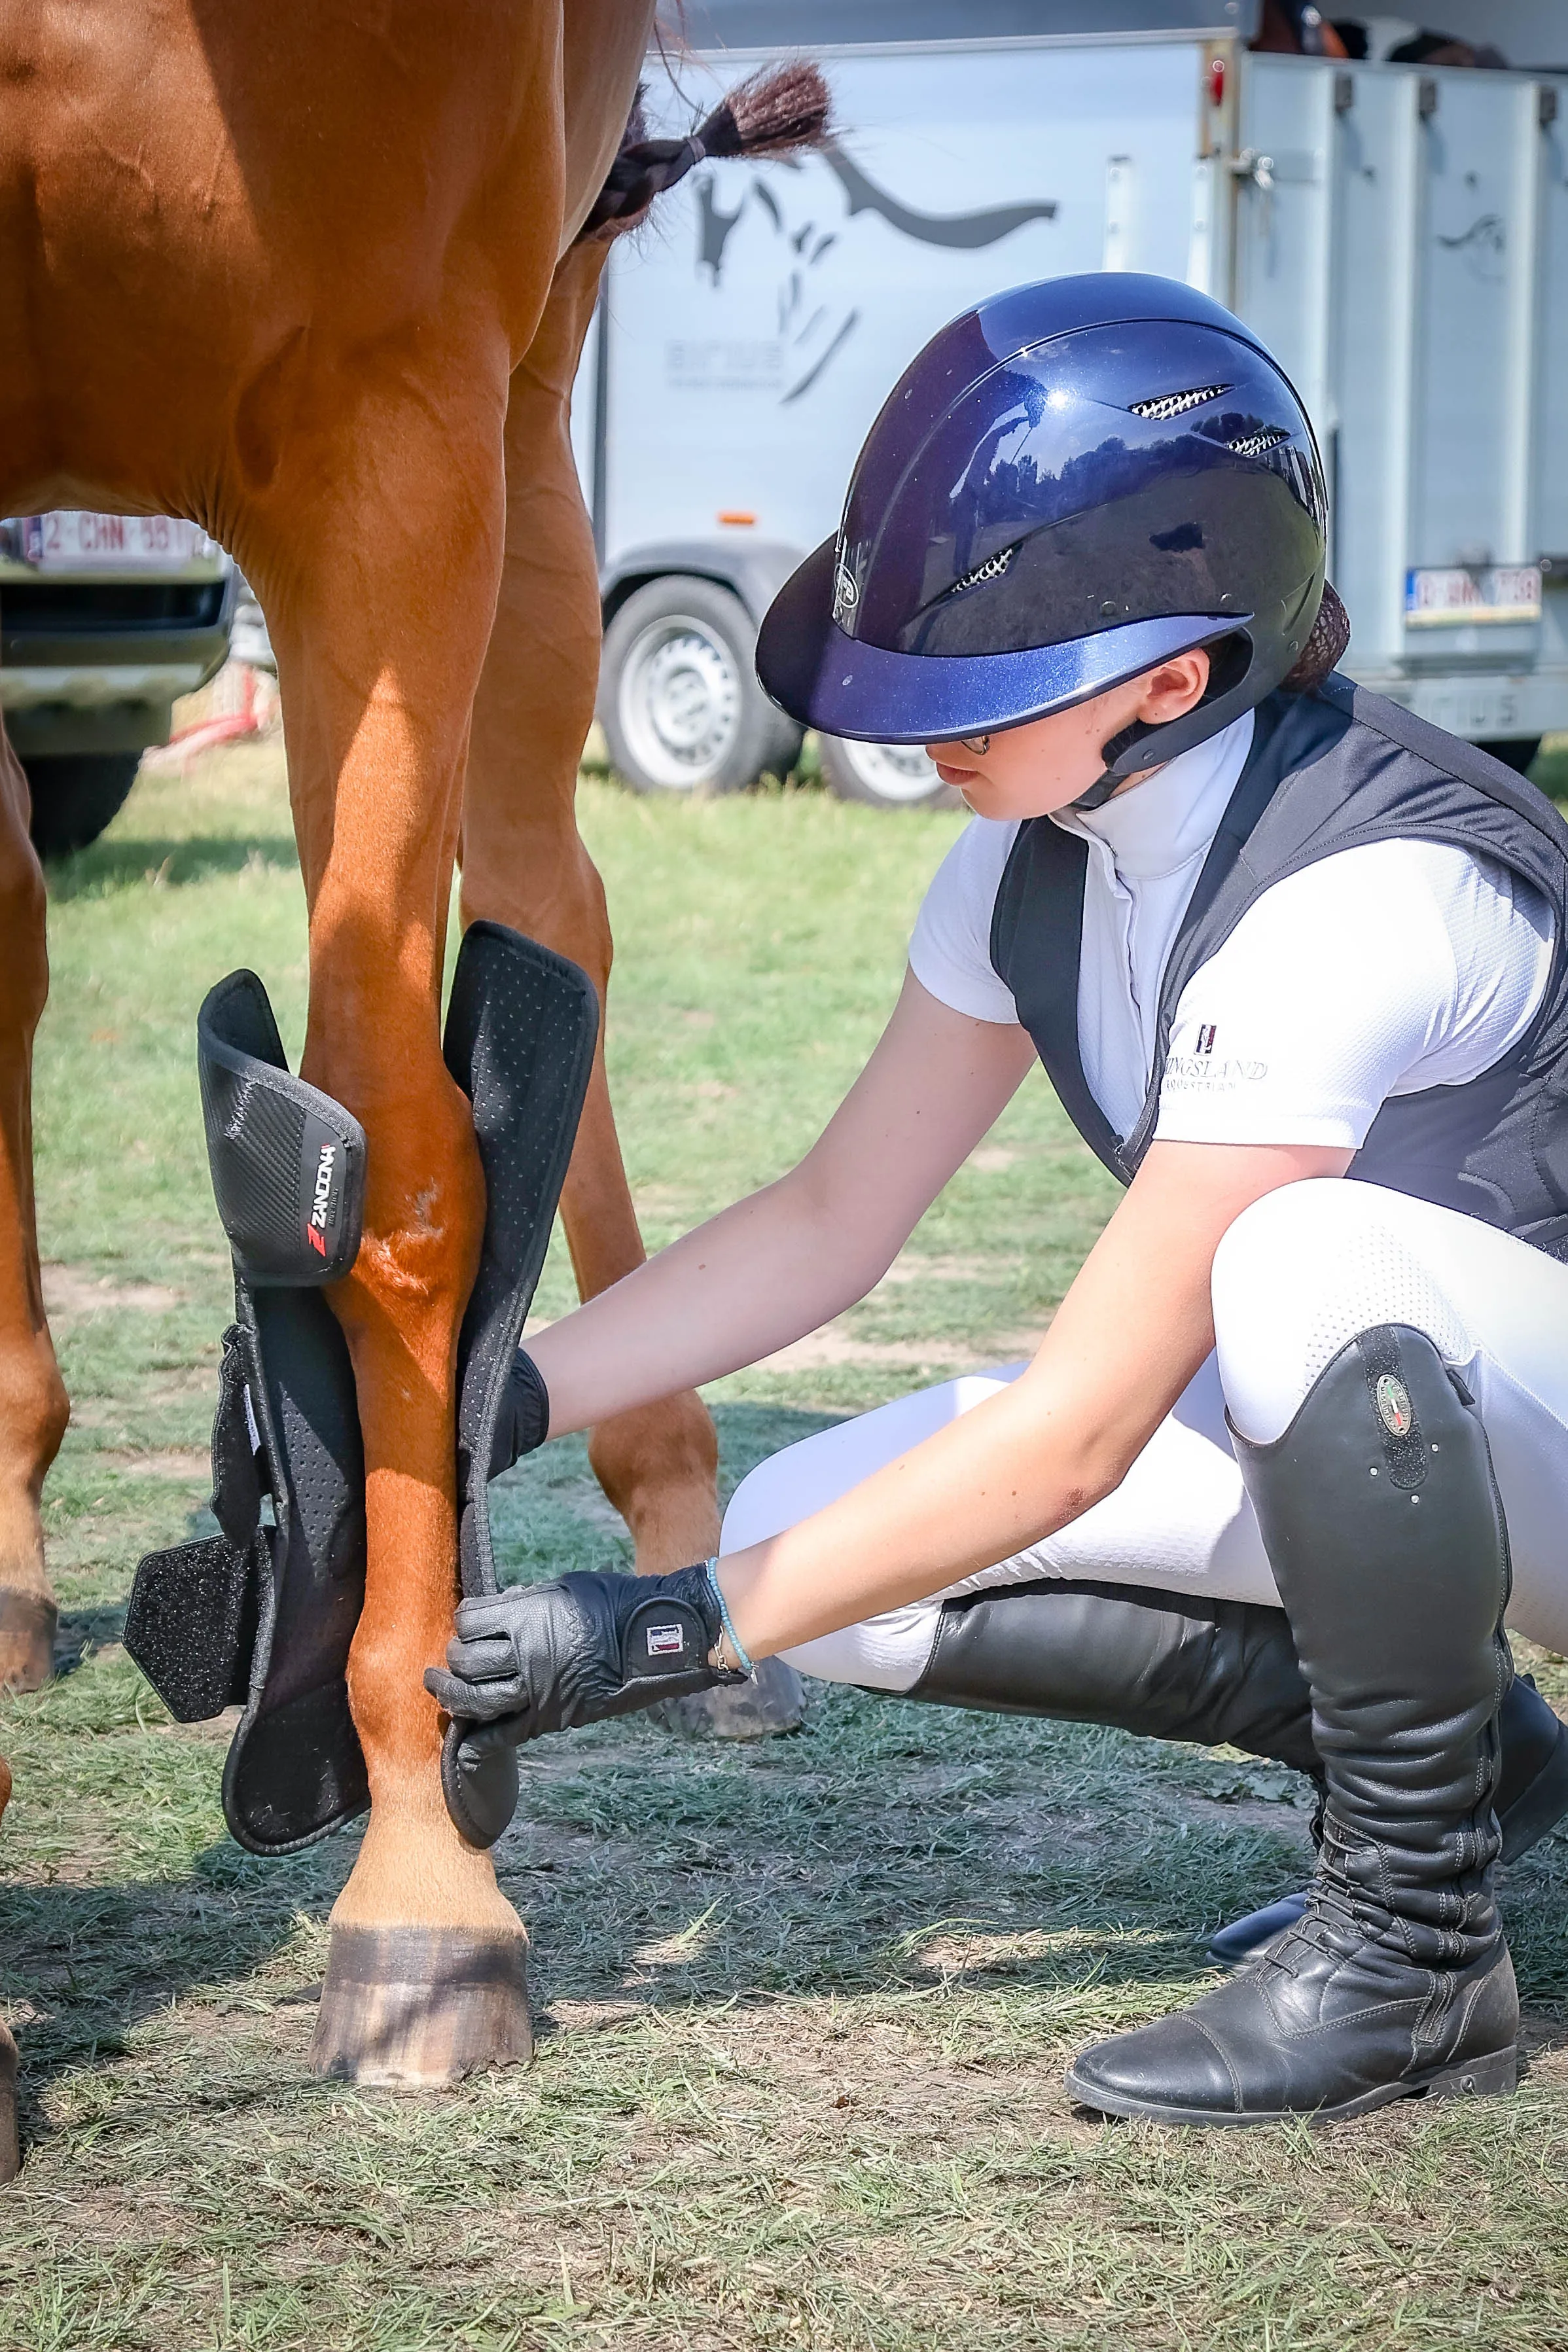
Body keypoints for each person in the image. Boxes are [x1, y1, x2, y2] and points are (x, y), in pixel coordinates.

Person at [427, 274, 1568, 2127]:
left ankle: (1417, 1950)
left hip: (1539, 1446)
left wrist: (647, 1631)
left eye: (978, 688)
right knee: (831, 1561)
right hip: (1449, 1457)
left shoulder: (1356, 902)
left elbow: (1070, 1441)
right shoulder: (1026, 861)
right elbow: (824, 1224)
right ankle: (1471, 1771)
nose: (911, 727)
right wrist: (494, 1402)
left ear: (1171, 682)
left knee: (1292, 1262)